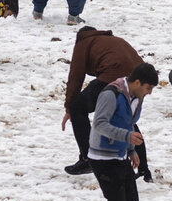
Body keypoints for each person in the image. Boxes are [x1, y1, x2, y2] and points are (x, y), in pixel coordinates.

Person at [67, 63, 159, 201]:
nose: (149, 93)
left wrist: (131, 150)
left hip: (119, 155)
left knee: (131, 199)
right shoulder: (111, 94)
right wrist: (126, 138)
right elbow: (99, 124)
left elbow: (130, 124)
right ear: (137, 82)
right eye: (148, 88)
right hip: (101, 156)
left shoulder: (137, 97)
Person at [60, 27, 151, 180]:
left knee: (77, 108)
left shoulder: (84, 42)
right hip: (140, 80)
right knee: (127, 120)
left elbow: (76, 75)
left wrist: (69, 107)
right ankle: (143, 170)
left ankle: (87, 159)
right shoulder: (111, 40)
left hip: (113, 75)